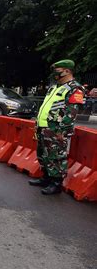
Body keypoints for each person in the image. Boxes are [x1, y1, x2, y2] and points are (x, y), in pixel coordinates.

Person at [29, 59, 85, 195]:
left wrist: (62, 130)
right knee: (43, 154)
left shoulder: (75, 88)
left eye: (57, 71)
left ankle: (56, 183)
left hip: (56, 129)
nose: (55, 73)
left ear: (67, 71)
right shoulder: (54, 87)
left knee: (56, 156)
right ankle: (46, 178)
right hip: (43, 127)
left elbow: (71, 112)